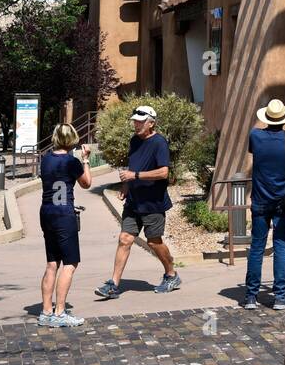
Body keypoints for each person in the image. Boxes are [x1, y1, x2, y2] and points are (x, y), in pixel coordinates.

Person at [95, 104, 181, 299]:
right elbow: (132, 166)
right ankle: (114, 284)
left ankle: (171, 274)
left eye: (140, 122)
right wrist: (126, 185)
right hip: (134, 202)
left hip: (153, 203)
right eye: (135, 121)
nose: (136, 124)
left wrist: (135, 175)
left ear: (151, 123)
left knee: (153, 242)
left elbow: (163, 172)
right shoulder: (134, 141)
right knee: (125, 239)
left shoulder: (159, 143)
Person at [244, 97, 285, 311]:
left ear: (266, 118)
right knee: (280, 245)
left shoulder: (255, 136)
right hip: (283, 201)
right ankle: (280, 296)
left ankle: (251, 297)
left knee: (256, 247)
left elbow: (254, 148)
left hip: (260, 201)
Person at [38, 123, 92, 328]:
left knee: (52, 263)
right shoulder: (71, 162)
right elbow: (87, 183)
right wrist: (85, 160)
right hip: (64, 215)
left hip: (47, 212)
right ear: (72, 140)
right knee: (70, 263)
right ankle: (60, 312)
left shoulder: (46, 160)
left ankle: (46, 311)